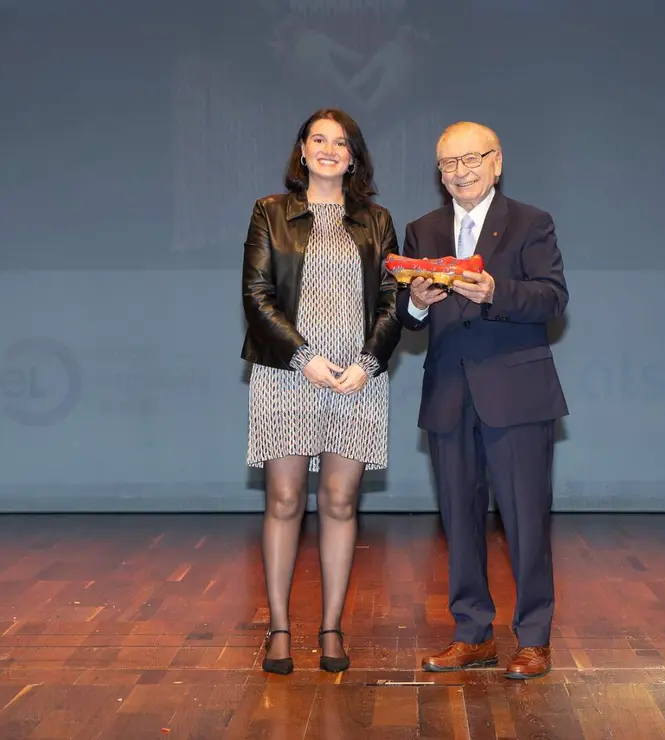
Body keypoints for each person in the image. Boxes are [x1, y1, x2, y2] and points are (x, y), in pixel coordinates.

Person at [396, 121, 568, 680]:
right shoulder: (422, 229)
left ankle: (534, 638)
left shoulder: (530, 221)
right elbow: (407, 319)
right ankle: (472, 634)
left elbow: (552, 297)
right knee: (459, 522)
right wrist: (417, 303)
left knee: (524, 520)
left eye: (471, 159)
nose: (459, 172)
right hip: (449, 393)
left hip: (515, 393)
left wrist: (496, 290)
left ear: (497, 161)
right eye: (448, 164)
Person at [240, 107, 402, 675]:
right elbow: (257, 296)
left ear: (353, 156)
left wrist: (367, 363)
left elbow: (392, 301)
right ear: (302, 150)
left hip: (356, 379)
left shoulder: (377, 221)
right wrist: (305, 358)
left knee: (338, 503)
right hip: (287, 375)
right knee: (283, 502)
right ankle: (279, 628)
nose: (330, 149)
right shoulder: (270, 213)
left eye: (341, 142)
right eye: (319, 140)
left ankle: (331, 627)